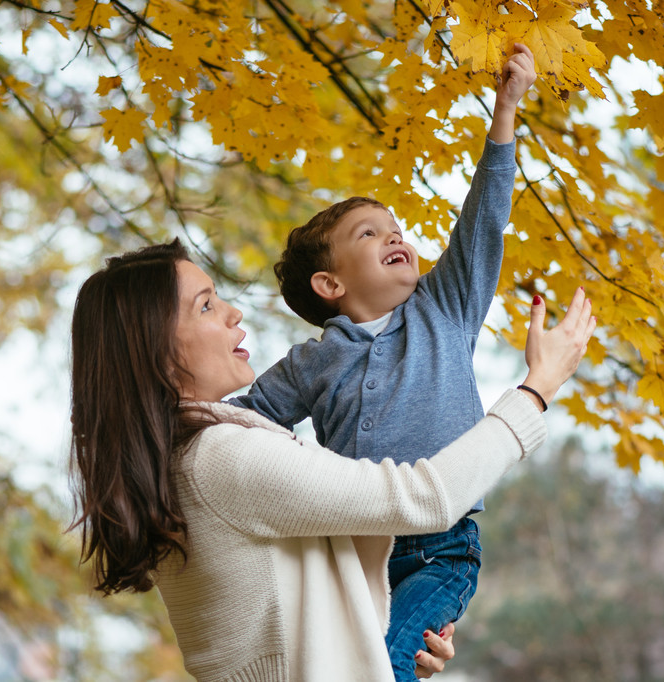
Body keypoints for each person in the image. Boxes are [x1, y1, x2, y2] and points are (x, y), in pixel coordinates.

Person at [70, 239, 595, 681]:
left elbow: (287, 621)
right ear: (156, 350)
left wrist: (384, 645)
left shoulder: (182, 462)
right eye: (206, 306)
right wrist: (536, 389)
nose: (234, 313)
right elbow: (422, 497)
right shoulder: (222, 456)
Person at [229, 44, 539, 679]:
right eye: (368, 234)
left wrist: (504, 111)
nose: (394, 236)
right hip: (348, 551)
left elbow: (483, 223)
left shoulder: (443, 310)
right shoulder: (310, 364)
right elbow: (241, 425)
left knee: (387, 666)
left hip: (441, 549)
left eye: (394, 228)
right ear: (329, 285)